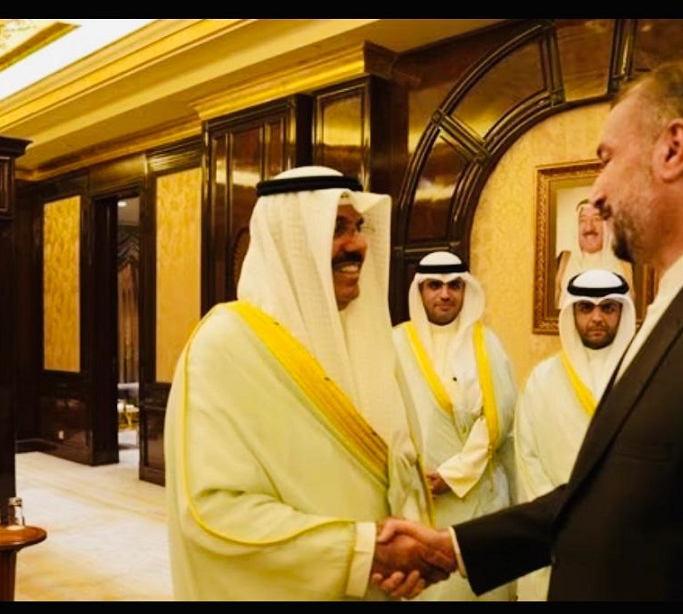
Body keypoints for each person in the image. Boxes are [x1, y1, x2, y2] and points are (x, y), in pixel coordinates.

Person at [374, 60, 683, 600]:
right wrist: (454, 547)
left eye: (606, 160)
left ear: (673, 149)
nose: (597, 194)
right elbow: (613, 497)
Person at [164, 165, 449, 600]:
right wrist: (362, 552)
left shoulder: (370, 341)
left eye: (358, 227)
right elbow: (211, 510)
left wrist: (409, 550)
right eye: (336, 228)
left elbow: (399, 465)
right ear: (292, 242)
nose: (357, 244)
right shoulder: (225, 345)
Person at [390, 250, 518, 601]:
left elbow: (498, 417)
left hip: (477, 497)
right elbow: (384, 413)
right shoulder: (395, 343)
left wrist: (454, 474)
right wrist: (413, 474)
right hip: (414, 493)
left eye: (454, 286)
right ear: (420, 290)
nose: (445, 295)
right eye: (435, 285)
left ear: (466, 290)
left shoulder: (487, 344)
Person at [512, 268, 635, 601]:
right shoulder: (541, 380)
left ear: (623, 312)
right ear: (571, 312)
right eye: (586, 307)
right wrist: (562, 522)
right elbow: (526, 459)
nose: (597, 318)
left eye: (608, 308)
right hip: (555, 536)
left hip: (624, 534)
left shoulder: (643, 375)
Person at [553, 198, 635, 309]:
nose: (589, 227)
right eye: (582, 220)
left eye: (596, 219)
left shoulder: (626, 263)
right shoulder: (562, 261)